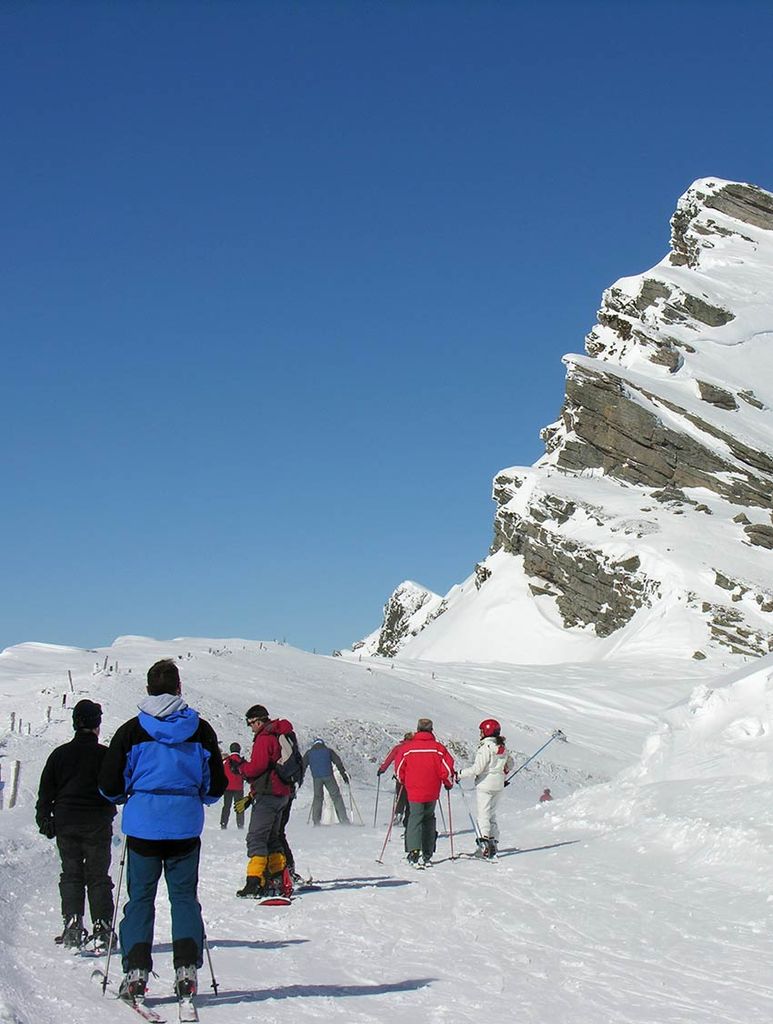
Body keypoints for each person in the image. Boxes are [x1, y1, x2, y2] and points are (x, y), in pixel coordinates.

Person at [98, 659, 226, 1007]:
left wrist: (128, 795)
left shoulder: (131, 731)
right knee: (184, 898)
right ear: (179, 687)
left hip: (143, 829)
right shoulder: (200, 729)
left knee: (140, 899)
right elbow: (216, 787)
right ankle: (186, 969)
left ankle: (136, 972)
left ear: (148, 689)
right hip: (185, 827)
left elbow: (109, 785)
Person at [35, 699, 117, 949]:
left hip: (66, 821)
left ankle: (72, 922)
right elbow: (114, 787)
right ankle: (102, 927)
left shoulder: (59, 754)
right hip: (96, 822)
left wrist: (44, 819)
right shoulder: (105, 755)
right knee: (98, 876)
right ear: (97, 725)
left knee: (71, 873)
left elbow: (45, 792)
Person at [235, 704, 297, 898]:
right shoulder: (278, 734)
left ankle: (254, 881)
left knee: (256, 837)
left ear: (258, 721)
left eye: (251, 723)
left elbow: (258, 767)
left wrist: (242, 767)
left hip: (268, 794)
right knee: (273, 837)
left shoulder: (264, 738)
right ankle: (278, 877)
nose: (250, 727)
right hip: (282, 793)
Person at [395, 718, 455, 867]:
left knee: (415, 818)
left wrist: (402, 780)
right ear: (431, 730)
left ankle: (414, 851)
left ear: (417, 729)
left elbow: (399, 768)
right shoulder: (438, 748)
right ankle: (427, 852)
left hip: (414, 790)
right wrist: (447, 783)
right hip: (432, 790)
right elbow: (447, 769)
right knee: (429, 818)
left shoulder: (408, 748)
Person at [458, 718, 514, 859]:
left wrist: (460, 774)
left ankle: (484, 845)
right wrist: (503, 771)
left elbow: (477, 769)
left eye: (482, 731)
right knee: (492, 814)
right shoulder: (502, 747)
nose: (480, 734)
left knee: (483, 815)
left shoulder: (485, 747)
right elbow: (510, 763)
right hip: (498, 784)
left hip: (485, 784)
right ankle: (493, 842)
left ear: (487, 731)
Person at [302, 738, 350, 825]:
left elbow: (303, 766)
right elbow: (338, 762)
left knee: (317, 798)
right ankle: (344, 820)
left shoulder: (309, 753)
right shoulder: (328, 751)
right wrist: (344, 775)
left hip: (316, 778)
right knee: (336, 797)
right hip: (329, 776)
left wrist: (300, 779)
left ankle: (316, 821)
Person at [377, 731, 413, 826]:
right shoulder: (415, 749)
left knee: (400, 797)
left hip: (400, 777)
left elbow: (389, 758)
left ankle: (398, 816)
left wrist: (382, 769)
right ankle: (409, 818)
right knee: (411, 798)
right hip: (413, 778)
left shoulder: (398, 748)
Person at [221, 742, 246, 829]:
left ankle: (223, 824)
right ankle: (240, 825)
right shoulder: (242, 761)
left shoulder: (226, 761)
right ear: (239, 750)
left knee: (226, 806)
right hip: (239, 788)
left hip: (227, 788)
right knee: (239, 806)